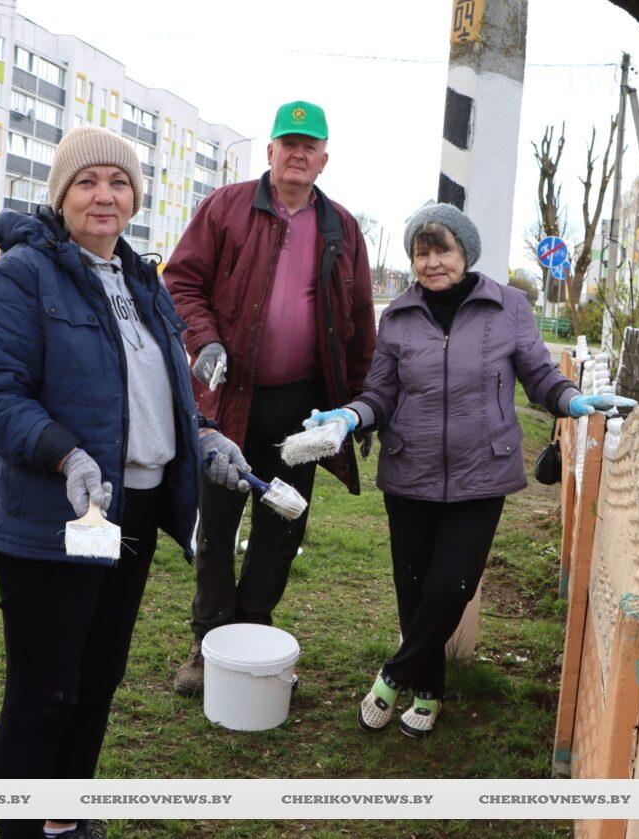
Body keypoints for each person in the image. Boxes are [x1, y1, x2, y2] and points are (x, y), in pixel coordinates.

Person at [0, 126, 253, 839]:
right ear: (61, 194)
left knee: (95, 678)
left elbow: (159, 391)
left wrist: (204, 437)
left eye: (118, 183)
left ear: (135, 199)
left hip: (129, 514)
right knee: (44, 689)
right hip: (58, 512)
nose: (104, 195)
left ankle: (66, 819)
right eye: (87, 181)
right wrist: (65, 455)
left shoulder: (140, 281)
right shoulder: (23, 275)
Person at [305, 203, 632, 736]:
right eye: (422, 252)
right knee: (413, 590)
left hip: (483, 473)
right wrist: (349, 415)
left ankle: (392, 675)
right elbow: (380, 394)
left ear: (465, 253)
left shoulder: (509, 306)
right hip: (409, 471)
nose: (432, 262)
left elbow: (540, 375)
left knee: (450, 587)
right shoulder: (399, 317)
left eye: (443, 250)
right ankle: (429, 694)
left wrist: (571, 401)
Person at [165, 100, 377, 696]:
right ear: (271, 152)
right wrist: (203, 340)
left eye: (309, 146)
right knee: (217, 523)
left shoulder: (342, 227)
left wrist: (361, 403)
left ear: (324, 158)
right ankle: (207, 647)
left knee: (283, 521)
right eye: (289, 142)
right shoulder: (226, 207)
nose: (298, 153)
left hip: (301, 408)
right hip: (229, 400)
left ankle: (252, 631)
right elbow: (181, 281)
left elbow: (359, 318)